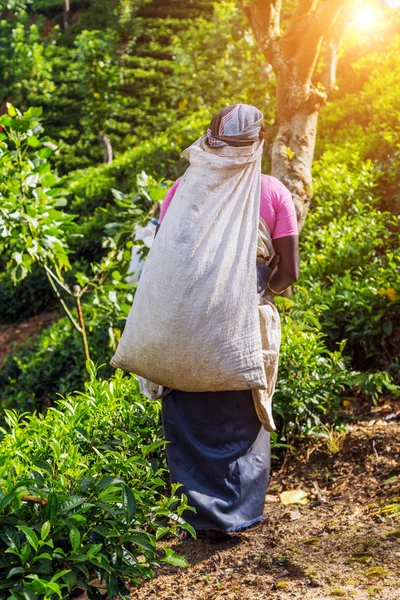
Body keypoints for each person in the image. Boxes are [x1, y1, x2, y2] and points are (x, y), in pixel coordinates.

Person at [157, 104, 300, 543]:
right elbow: (289, 271)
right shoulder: (273, 191)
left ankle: (197, 515)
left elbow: (163, 262)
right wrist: (258, 292)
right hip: (242, 324)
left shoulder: (181, 189)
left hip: (186, 323)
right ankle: (240, 512)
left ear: (210, 141)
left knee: (190, 412)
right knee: (242, 411)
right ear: (259, 144)